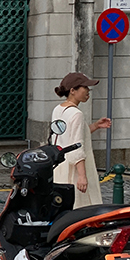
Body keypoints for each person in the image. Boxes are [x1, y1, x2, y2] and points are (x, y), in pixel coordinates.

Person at [51, 72, 111, 208]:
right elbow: (77, 145)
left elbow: (70, 136)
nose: (88, 91)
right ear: (73, 90)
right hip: (75, 170)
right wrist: (82, 176)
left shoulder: (58, 109)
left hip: (60, 166)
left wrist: (95, 126)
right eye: (85, 87)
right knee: (82, 209)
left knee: (63, 207)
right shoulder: (77, 114)